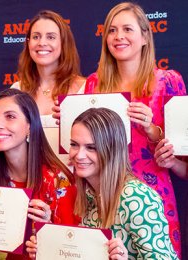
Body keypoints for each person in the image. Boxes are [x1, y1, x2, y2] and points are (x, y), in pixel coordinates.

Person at [51, 2, 185, 255]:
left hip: (149, 198)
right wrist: (68, 121)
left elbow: (184, 164)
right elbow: (82, 144)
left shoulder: (168, 82)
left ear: (145, 36)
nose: (119, 36)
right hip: (100, 198)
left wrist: (154, 132)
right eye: (112, 30)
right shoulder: (93, 83)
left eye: (127, 29)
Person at [26, 108, 178, 259]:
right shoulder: (88, 194)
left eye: (91, 147)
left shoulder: (137, 196)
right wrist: (47, 245)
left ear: (111, 150)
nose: (79, 155)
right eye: (74, 145)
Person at [0, 89, 78, 260]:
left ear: (30, 126)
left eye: (10, 117)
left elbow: (71, 250)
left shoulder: (58, 181)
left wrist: (47, 227)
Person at [12, 10, 85, 159]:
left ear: (64, 43)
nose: (42, 43)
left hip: (75, 178)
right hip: (30, 178)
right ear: (28, 43)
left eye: (51, 37)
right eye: (36, 37)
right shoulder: (16, 91)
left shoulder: (85, 89)